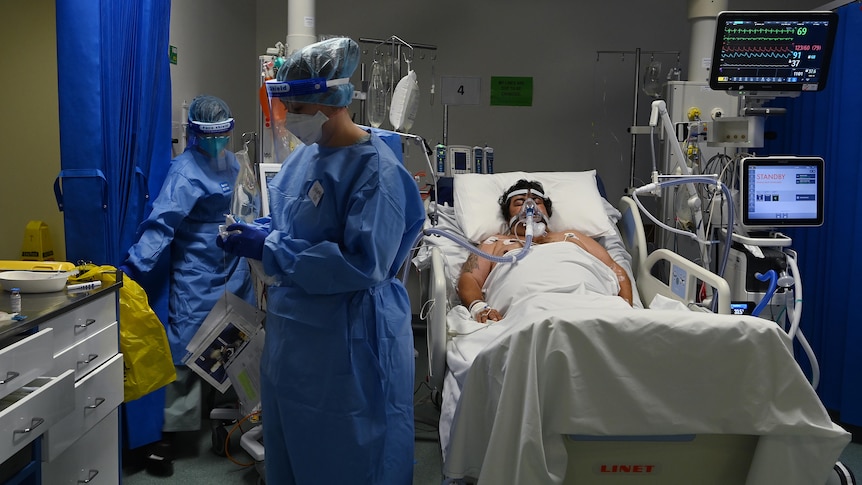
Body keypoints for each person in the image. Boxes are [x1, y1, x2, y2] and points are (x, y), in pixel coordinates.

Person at [217, 37, 425, 485]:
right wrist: (263, 231)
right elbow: (298, 226)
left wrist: (270, 248)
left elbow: (360, 263)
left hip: (351, 342)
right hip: (295, 341)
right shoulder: (302, 161)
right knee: (293, 448)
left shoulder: (377, 173)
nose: (288, 115)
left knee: (350, 456)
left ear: (327, 100)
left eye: (295, 104)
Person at [119, 94, 252, 476]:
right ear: (193, 133)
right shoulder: (184, 170)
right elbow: (163, 222)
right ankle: (169, 436)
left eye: (222, 134)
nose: (216, 142)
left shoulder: (232, 162)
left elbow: (247, 202)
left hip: (234, 263)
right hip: (196, 268)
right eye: (209, 135)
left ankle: (226, 421)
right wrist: (133, 266)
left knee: (232, 342)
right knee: (186, 347)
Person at [458, 179, 633, 323]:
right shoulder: (495, 242)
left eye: (537, 201)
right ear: (508, 216)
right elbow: (469, 278)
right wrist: (479, 307)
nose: (529, 206)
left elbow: (616, 271)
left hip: (590, 301)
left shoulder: (572, 237)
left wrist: (626, 310)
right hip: (528, 309)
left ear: (547, 211)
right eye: (519, 202)